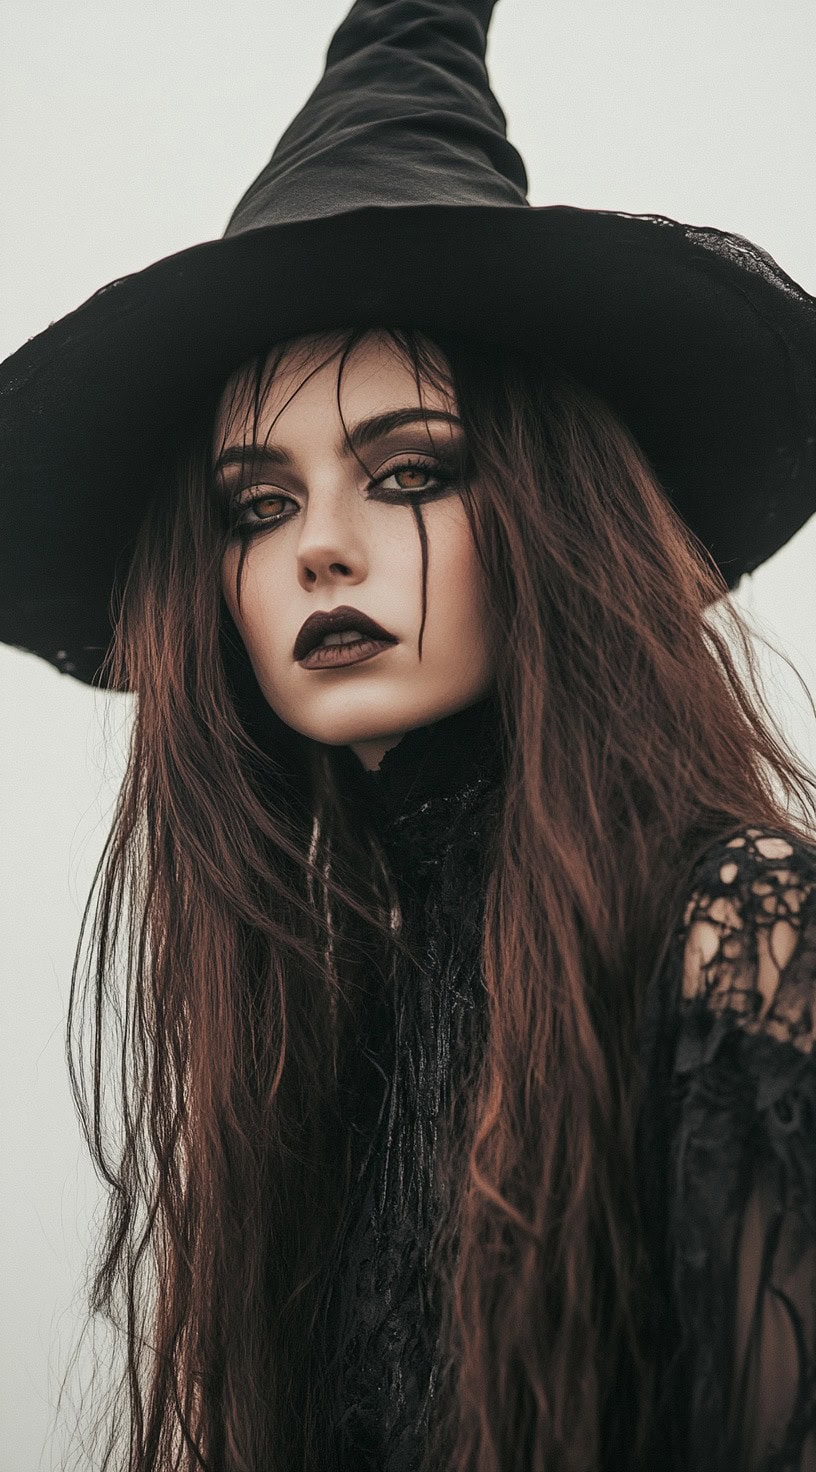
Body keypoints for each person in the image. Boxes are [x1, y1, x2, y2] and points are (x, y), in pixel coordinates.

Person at [2, 4, 816, 1471]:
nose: (321, 548)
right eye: (259, 504)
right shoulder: (310, 1023)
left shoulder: (742, 934)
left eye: (410, 472)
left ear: (550, 517)